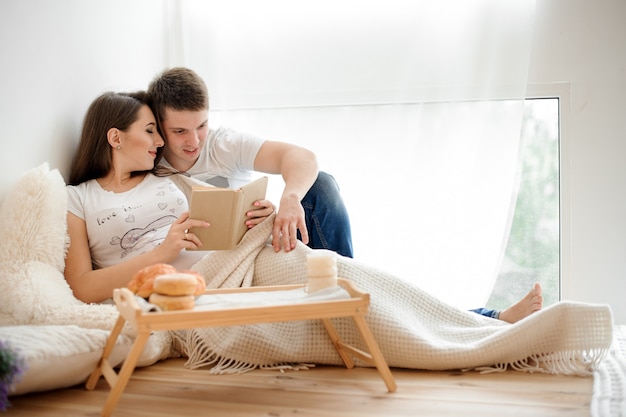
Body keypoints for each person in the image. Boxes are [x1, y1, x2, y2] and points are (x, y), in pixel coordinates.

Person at [64, 90, 542, 323]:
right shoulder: (78, 197)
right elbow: (82, 286)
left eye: (198, 129)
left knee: (353, 276)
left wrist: (270, 211)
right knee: (354, 287)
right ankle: (488, 320)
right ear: (115, 137)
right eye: (156, 131)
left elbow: (217, 221)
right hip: (200, 277)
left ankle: (485, 319)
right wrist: (159, 255)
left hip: (237, 257)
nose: (171, 143)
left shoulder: (168, 181)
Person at [146, 67, 354, 258]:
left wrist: (289, 199)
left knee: (322, 184)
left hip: (251, 249)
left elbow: (303, 157)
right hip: (193, 258)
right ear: (157, 126)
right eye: (179, 131)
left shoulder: (222, 145)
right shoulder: (145, 160)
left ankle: (345, 282)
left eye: (202, 125)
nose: (194, 141)